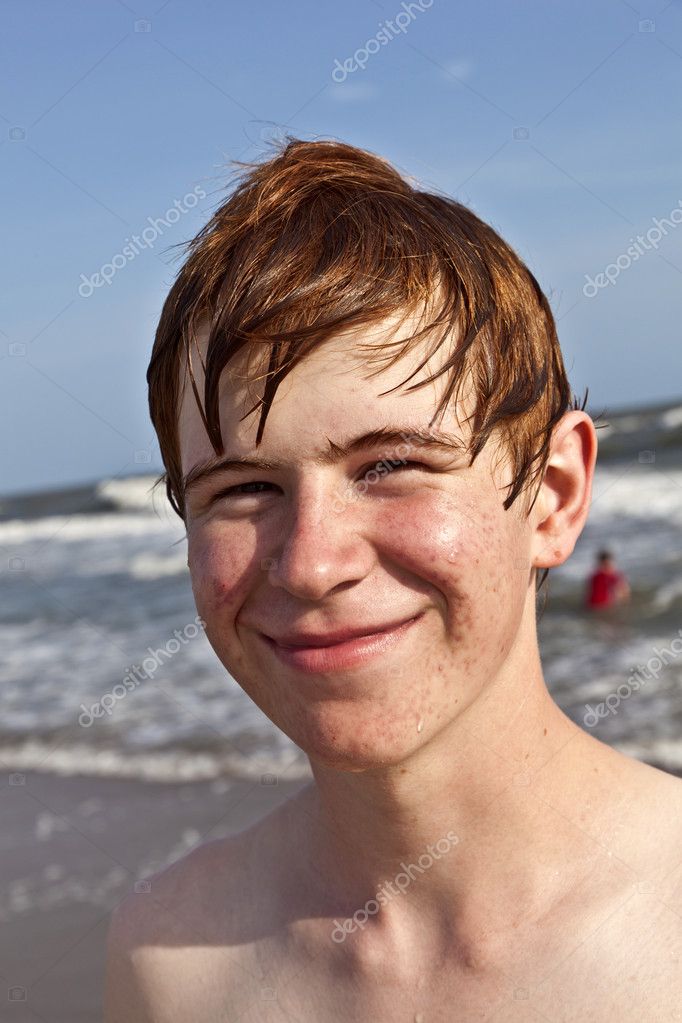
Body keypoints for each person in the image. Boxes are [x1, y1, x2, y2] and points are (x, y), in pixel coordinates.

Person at [104, 139, 682, 1022]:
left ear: (555, 497)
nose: (310, 561)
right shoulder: (174, 957)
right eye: (245, 488)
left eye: (391, 465)